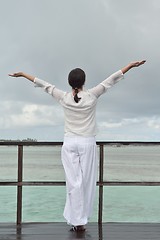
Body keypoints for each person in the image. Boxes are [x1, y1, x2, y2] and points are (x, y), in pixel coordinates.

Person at [9, 60, 146, 231]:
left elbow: (44, 84)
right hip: (87, 142)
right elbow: (112, 79)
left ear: (69, 83)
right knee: (87, 182)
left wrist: (23, 74)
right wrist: (131, 66)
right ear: (84, 81)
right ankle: (80, 221)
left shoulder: (64, 97)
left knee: (73, 183)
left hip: (69, 143)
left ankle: (76, 220)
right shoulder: (92, 95)